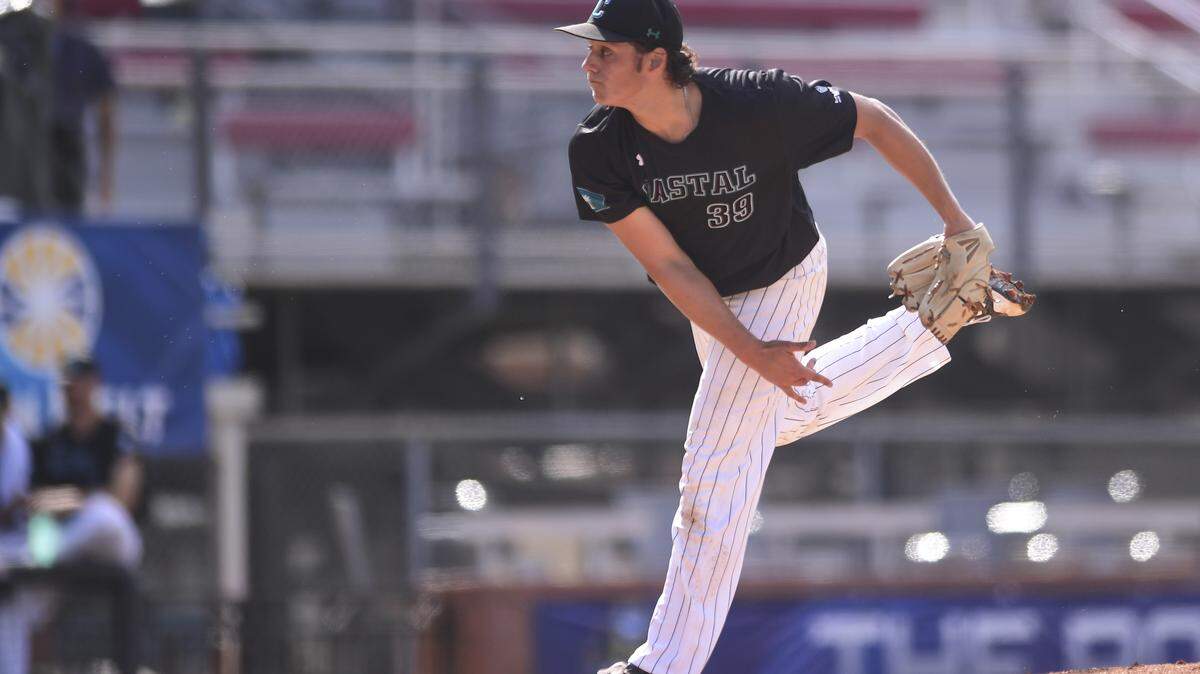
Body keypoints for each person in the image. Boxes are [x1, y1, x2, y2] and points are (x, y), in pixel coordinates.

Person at [555, 2, 1033, 673]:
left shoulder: (754, 102)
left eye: (606, 51)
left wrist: (957, 223)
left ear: (655, 59)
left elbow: (874, 120)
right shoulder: (597, 148)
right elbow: (668, 266)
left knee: (714, 472)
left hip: (785, 274)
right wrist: (750, 352)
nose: (589, 63)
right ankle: (929, 325)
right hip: (712, 299)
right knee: (759, 424)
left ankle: (664, 664)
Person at [49, 0, 118, 214]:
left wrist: (106, 178)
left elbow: (106, 114)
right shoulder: (24, 42)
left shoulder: (83, 49)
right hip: (32, 151)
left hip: (68, 149)